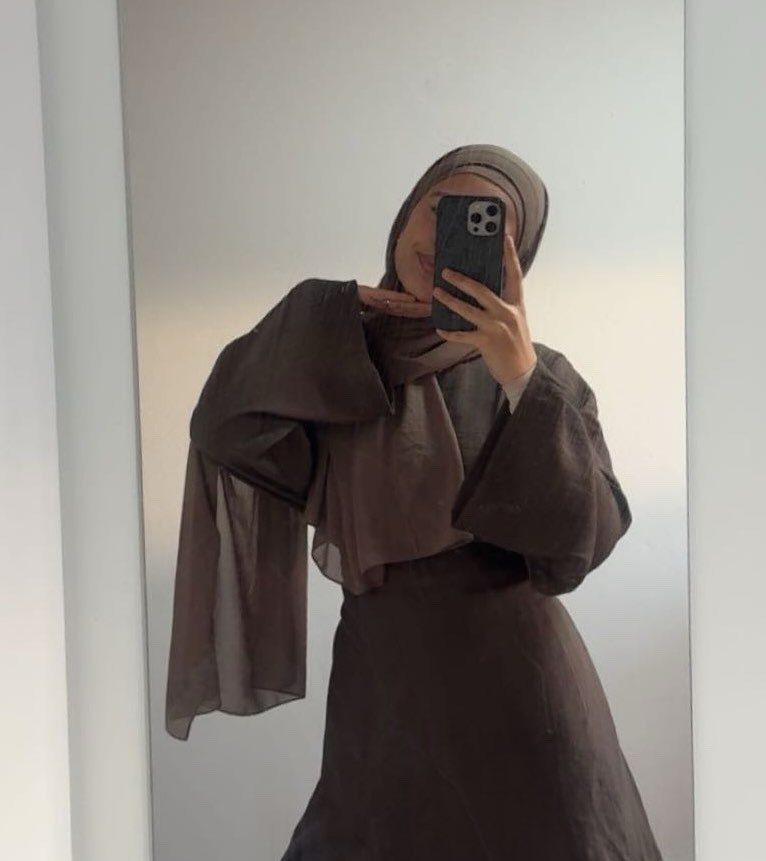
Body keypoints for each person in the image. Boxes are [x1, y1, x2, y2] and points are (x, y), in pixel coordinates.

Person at [165, 144, 664, 860]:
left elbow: (585, 539)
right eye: (439, 207)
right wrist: (315, 314)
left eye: (488, 224)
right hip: (384, 686)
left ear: (515, 257)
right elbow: (225, 427)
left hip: (523, 691)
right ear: (405, 216)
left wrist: (520, 377)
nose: (443, 234)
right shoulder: (332, 360)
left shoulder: (544, 376)